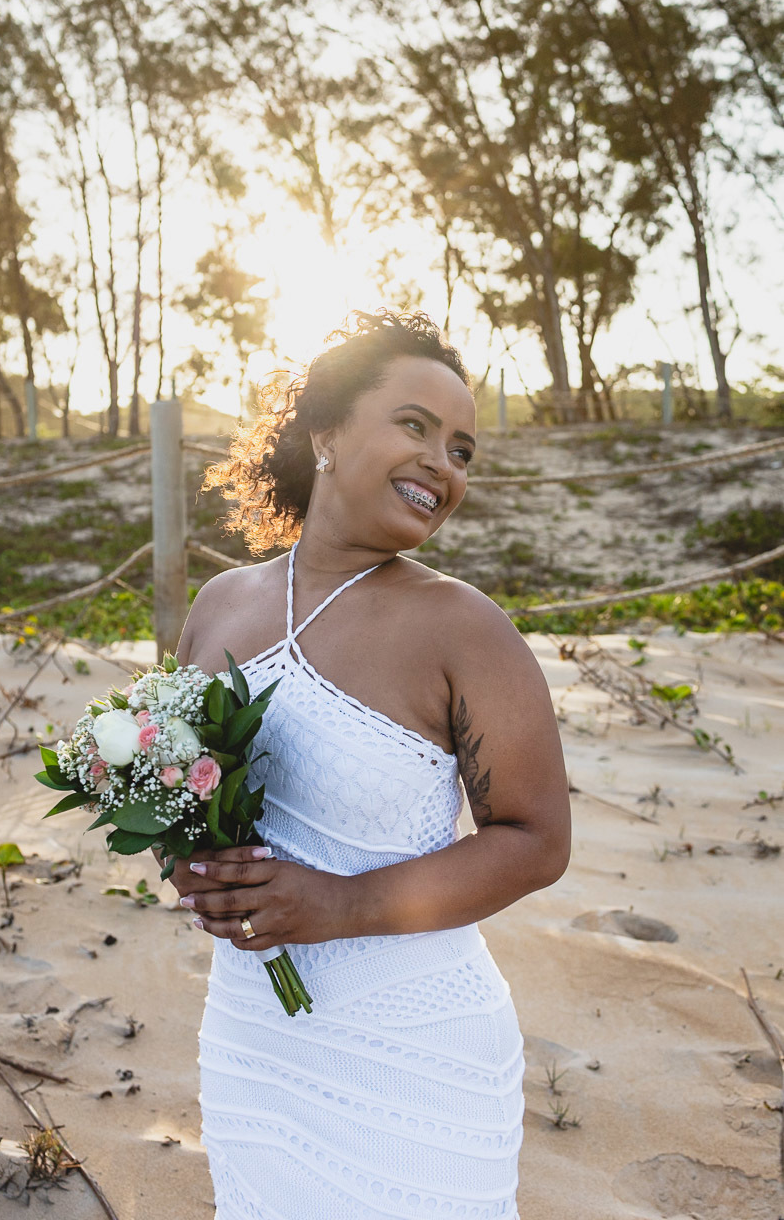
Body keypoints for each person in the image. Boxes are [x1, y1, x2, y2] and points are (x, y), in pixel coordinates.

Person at [169, 309, 571, 1220]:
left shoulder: (464, 628)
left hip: (417, 1046)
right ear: (325, 432)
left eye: (462, 450)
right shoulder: (219, 605)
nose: (442, 463)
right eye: (415, 427)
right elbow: (177, 781)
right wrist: (189, 864)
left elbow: (537, 841)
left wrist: (340, 904)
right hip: (251, 1037)